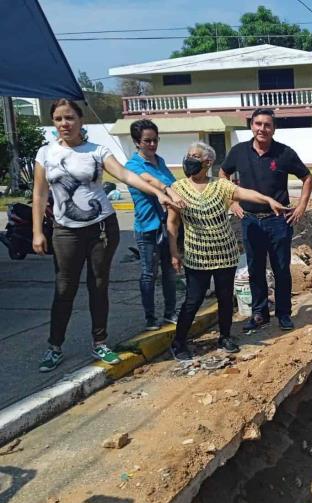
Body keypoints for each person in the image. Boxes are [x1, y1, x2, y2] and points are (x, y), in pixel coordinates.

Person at [32, 99, 183, 373]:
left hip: (101, 227)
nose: (64, 123)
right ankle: (54, 346)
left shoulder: (97, 151)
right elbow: (40, 193)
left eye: (69, 118)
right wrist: (37, 232)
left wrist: (158, 191)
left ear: (80, 120)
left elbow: (126, 174)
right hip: (65, 230)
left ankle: (100, 341)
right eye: (58, 119)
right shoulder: (45, 153)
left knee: (98, 286)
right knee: (64, 288)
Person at [167, 142, 288, 362]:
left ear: (207, 162)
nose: (189, 160)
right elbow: (173, 223)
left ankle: (224, 336)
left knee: (225, 298)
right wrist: (174, 252)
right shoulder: (177, 188)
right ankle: (179, 342)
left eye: (194, 156)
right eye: (188, 155)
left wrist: (269, 200)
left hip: (225, 254)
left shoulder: (220, 185)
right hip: (197, 257)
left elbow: (244, 193)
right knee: (193, 300)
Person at [219, 108, 312, 332]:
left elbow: (307, 177)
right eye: (258, 124)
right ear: (251, 125)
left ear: (274, 129)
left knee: (281, 269)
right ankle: (259, 313)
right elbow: (223, 174)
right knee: (255, 268)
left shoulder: (284, 153)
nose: (262, 129)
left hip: (278, 221)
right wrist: (231, 203)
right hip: (250, 220)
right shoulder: (239, 152)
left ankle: (283, 314)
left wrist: (301, 206)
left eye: (267, 125)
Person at [125, 119, 183, 331]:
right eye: (147, 141)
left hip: (169, 227)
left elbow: (171, 183)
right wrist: (168, 190)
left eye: (155, 140)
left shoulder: (160, 160)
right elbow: (151, 182)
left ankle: (170, 312)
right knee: (149, 273)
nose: (152, 145)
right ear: (137, 142)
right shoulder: (133, 165)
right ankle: (150, 317)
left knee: (169, 270)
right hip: (148, 228)